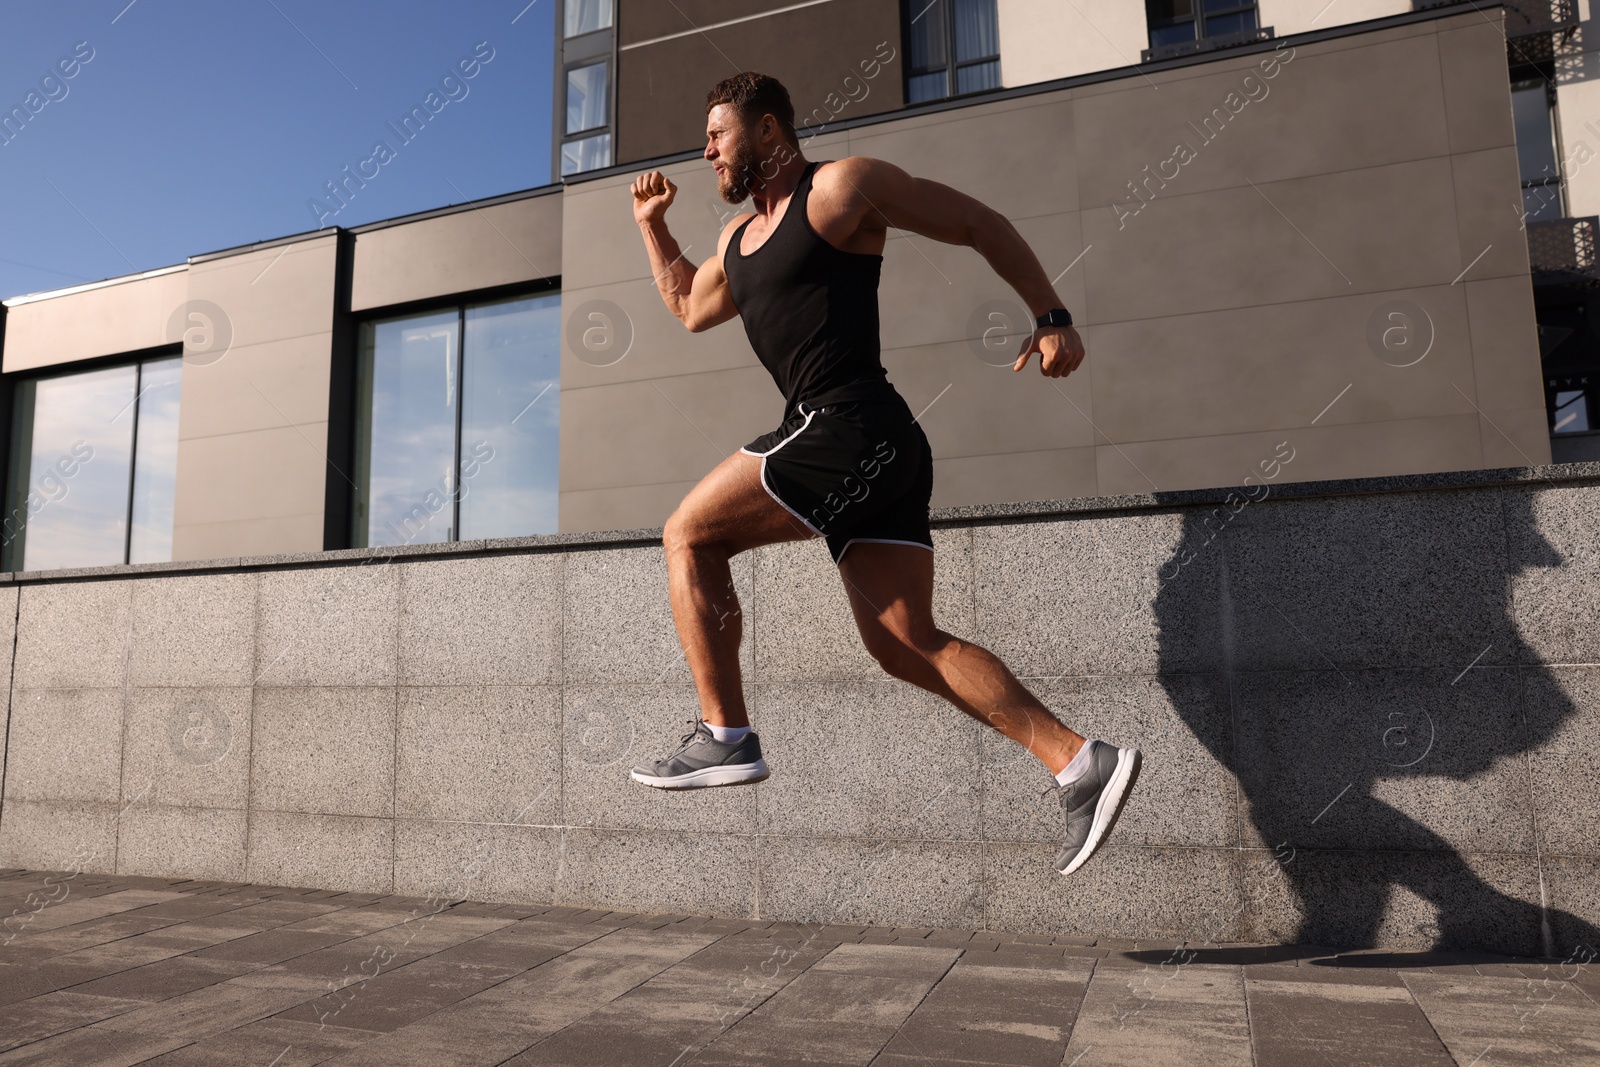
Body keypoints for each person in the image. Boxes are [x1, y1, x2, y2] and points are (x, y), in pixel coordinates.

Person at [626, 71, 1141, 877]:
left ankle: (723, 734)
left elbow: (975, 220)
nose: (707, 150)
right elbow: (690, 306)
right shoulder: (733, 239)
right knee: (906, 644)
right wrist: (653, 227)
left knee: (688, 532)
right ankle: (1080, 761)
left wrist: (1050, 315)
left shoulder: (841, 188)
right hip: (878, 449)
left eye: (719, 133)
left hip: (847, 425)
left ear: (768, 132)